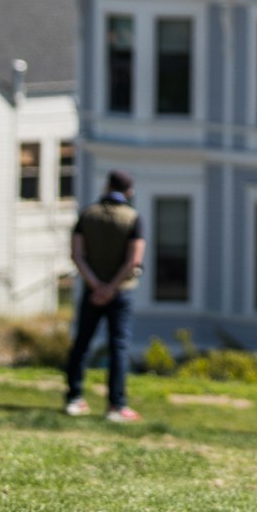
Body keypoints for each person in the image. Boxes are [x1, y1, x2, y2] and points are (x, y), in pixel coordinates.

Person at [63, 169, 146, 422]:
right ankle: (116, 405)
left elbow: (77, 255)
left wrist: (96, 285)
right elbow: (134, 260)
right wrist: (111, 288)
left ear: (107, 186)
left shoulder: (88, 215)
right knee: (118, 346)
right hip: (120, 293)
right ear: (129, 191)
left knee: (82, 343)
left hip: (92, 290)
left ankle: (74, 397)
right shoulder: (133, 218)